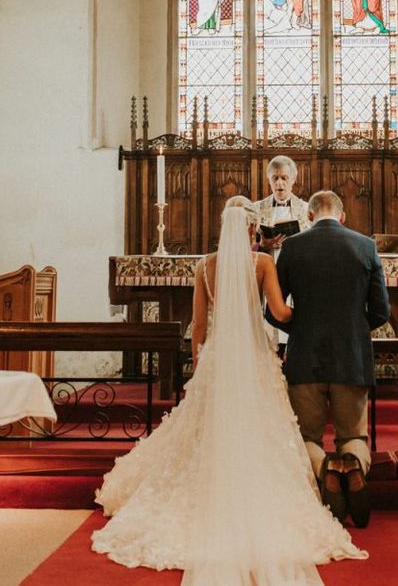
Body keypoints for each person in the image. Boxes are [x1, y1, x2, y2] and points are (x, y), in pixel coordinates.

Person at [91, 196, 366, 584]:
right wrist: (313, 311)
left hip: (220, 358)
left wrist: (201, 364)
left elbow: (199, 327)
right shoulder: (263, 263)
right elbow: (281, 313)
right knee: (262, 427)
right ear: (254, 229)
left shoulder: (204, 267)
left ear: (224, 226)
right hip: (254, 356)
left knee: (207, 428)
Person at [267, 190, 391, 529]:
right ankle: (350, 465)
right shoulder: (366, 246)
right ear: (343, 215)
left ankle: (326, 470)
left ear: (308, 216)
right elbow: (382, 310)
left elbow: (273, 312)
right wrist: (351, 328)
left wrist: (303, 324)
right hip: (351, 357)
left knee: (306, 436)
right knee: (354, 434)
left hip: (305, 357)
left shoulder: (293, 246)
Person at [254, 155, 311, 254]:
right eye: (275, 178)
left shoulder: (306, 209)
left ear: (293, 180)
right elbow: (245, 246)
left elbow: (312, 244)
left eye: (284, 178)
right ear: (269, 180)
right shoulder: (256, 208)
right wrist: (262, 246)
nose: (279, 183)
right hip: (267, 265)